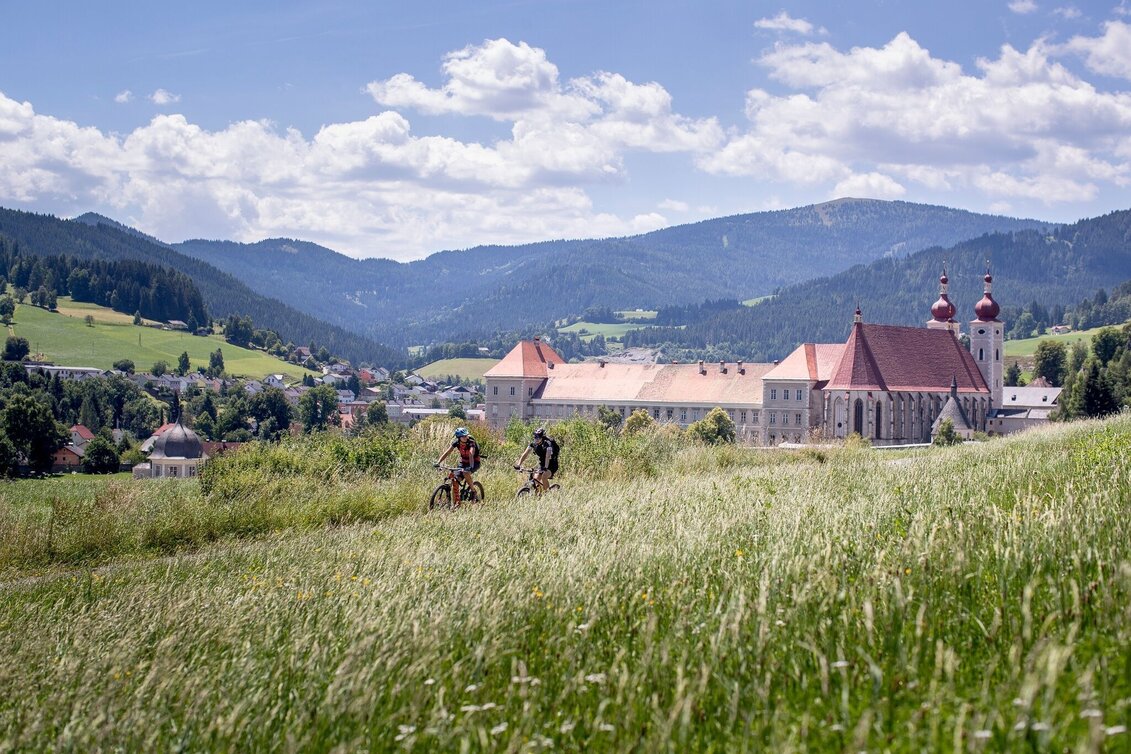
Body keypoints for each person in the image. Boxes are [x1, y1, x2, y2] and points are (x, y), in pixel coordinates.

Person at [435, 427, 481, 502]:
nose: (466, 437)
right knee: (455, 481)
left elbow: (471, 453)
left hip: (474, 462)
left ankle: (473, 491)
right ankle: (456, 503)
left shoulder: (471, 442)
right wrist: (438, 462)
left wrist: (470, 466)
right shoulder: (456, 442)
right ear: (459, 437)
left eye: (466, 435)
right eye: (463, 436)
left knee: (466, 473)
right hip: (463, 463)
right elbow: (447, 452)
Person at [514, 427, 558, 493]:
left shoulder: (547, 444)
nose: (536, 439)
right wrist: (518, 464)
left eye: (538, 437)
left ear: (542, 437)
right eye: (535, 437)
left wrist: (545, 467)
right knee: (536, 478)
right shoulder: (533, 444)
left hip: (551, 465)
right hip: (542, 464)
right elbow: (525, 454)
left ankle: (548, 494)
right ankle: (540, 494)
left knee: (544, 476)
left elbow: (547, 456)